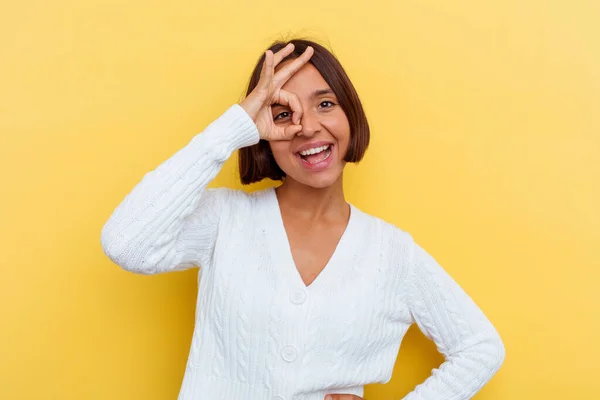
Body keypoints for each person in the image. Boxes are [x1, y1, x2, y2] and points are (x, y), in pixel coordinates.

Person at [100, 39, 505, 400]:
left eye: (325, 104)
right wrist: (234, 128)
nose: (308, 127)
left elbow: (480, 347)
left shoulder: (392, 253)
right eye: (281, 113)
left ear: (350, 114)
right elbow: (126, 244)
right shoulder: (224, 219)